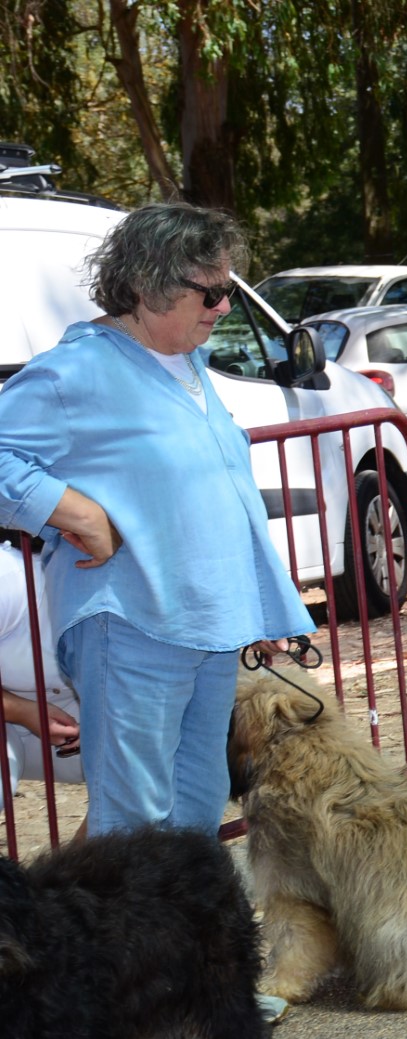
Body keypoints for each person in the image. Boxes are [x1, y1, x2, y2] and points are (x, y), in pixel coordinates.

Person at [0, 202, 313, 836]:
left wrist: (252, 609)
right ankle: (117, 938)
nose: (224, 306)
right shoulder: (77, 370)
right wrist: (73, 511)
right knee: (133, 825)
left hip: (206, 627)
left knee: (194, 809)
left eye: (228, 290)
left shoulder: (189, 363)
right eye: (212, 292)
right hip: (133, 623)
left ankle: (178, 936)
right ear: (147, 285)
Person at [0, 540, 84, 797]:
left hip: (66, 727)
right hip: (17, 714)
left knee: (172, 761)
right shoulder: (10, 579)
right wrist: (22, 711)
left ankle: (91, 840)